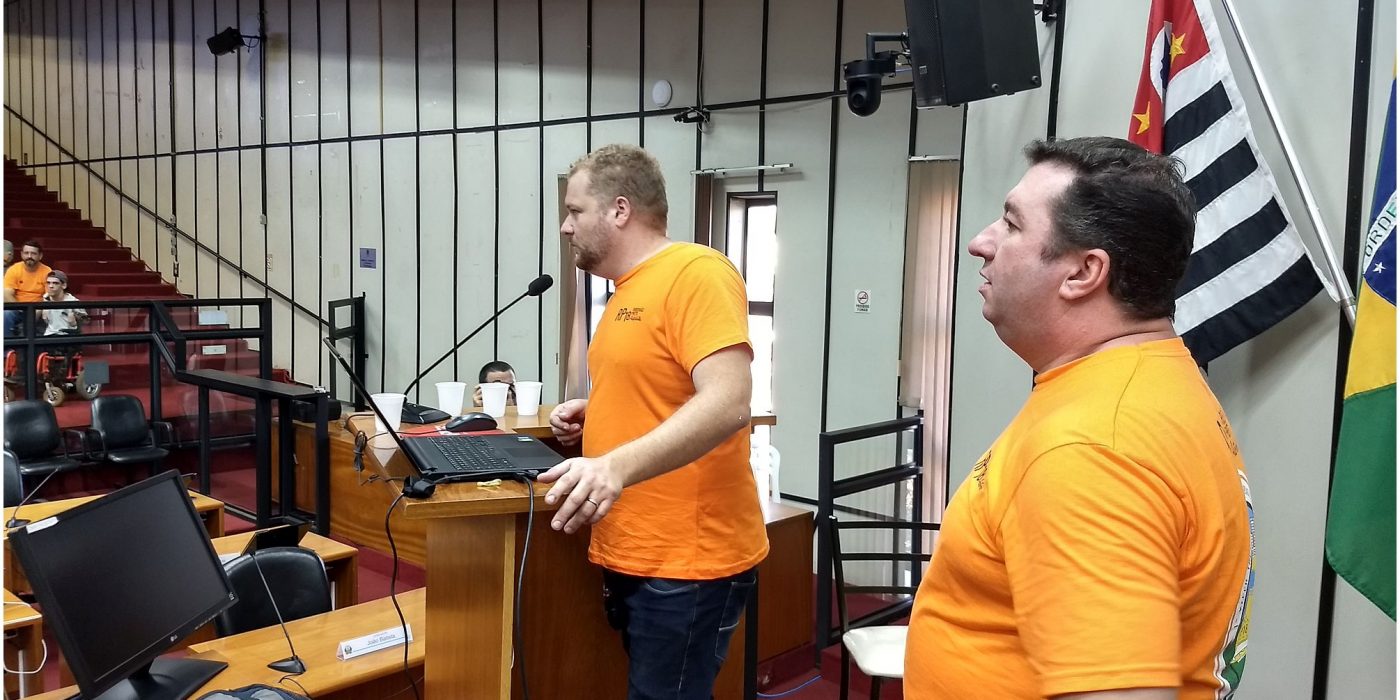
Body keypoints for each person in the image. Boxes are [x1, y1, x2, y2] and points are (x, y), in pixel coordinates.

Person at [903, 137, 1256, 700]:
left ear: (1083, 272)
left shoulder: (1091, 451)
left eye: (1011, 225)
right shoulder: (1154, 378)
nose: (980, 243)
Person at [541, 144, 767, 699]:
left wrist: (614, 465)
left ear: (620, 210)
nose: (566, 227)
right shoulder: (625, 290)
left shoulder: (696, 273)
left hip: (688, 561)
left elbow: (728, 402)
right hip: (636, 548)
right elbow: (667, 385)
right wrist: (598, 411)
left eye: (575, 211)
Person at [4, 240, 52, 336]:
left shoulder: (47, 271)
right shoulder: (14, 270)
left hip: (38, 309)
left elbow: (49, 296)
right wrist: (22, 309)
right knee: (5, 314)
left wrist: (37, 311)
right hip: (18, 308)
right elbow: (7, 294)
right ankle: (7, 345)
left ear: (40, 256)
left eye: (33, 253)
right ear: (22, 254)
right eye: (26, 253)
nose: (29, 256)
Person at [39, 270, 86, 337]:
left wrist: (76, 321)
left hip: (68, 336)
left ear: (64, 285)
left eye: (55, 283)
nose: (51, 286)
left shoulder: (73, 301)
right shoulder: (45, 299)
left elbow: (86, 320)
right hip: (49, 336)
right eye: (48, 283)